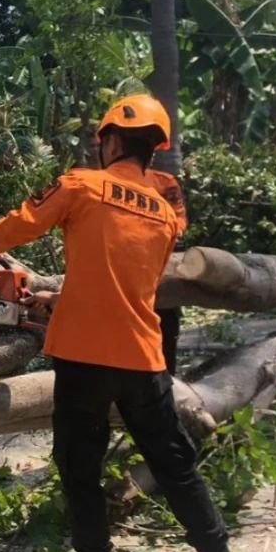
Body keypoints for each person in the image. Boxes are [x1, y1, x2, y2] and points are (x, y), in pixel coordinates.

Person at [0, 95, 248, 552]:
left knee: (80, 472)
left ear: (111, 140)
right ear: (153, 149)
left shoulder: (81, 184)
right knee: (178, 470)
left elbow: (23, 222)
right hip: (144, 360)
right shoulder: (166, 214)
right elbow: (124, 282)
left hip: (83, 359)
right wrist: (58, 298)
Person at [89, 134, 188, 374]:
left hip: (155, 285)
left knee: (161, 358)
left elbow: (179, 225)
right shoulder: (94, 184)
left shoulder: (164, 183)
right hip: (109, 285)